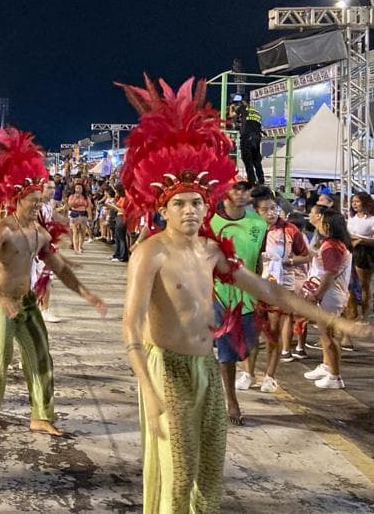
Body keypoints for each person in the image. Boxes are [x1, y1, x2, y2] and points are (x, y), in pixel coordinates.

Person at [118, 76, 371, 514]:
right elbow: (130, 325)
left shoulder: (212, 251)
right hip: (168, 368)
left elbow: (268, 288)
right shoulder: (149, 254)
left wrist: (337, 321)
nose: (191, 210)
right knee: (179, 471)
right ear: (163, 208)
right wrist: (149, 388)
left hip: (205, 364)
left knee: (212, 466)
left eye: (197, 202)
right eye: (180, 203)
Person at [0, 126, 107, 434]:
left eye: (40, 200)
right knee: (2, 356)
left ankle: (41, 416)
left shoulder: (40, 233)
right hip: (3, 300)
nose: (37, 205)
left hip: (27, 302)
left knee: (41, 355)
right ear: (18, 200)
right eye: (32, 200)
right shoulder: (4, 230)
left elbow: (60, 268)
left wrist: (86, 293)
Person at [210, 179, 266, 423]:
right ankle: (231, 401)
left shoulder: (258, 223)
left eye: (245, 189)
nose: (242, 193)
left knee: (248, 348)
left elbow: (258, 260)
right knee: (227, 353)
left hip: (249, 297)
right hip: (216, 296)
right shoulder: (209, 222)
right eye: (236, 188)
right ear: (224, 192)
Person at [253, 188, 309, 379]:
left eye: (274, 208)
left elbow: (306, 255)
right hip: (254, 285)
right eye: (265, 209)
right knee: (252, 332)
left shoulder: (290, 230)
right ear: (256, 211)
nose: (271, 212)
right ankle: (248, 373)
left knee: (274, 331)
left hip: (281, 285)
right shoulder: (253, 229)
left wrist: (289, 262)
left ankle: (270, 375)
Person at [302, 206, 354, 388]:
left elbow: (329, 275)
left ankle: (335, 376)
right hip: (332, 294)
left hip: (329, 295)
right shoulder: (337, 244)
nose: (319, 225)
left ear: (329, 226)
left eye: (323, 222)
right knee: (326, 334)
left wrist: (317, 295)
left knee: (327, 336)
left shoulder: (332, 246)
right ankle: (327, 366)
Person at [347, 191, 374, 320]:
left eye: (357, 202)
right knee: (349, 283)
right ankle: (352, 313)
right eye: (353, 202)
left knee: (364, 285)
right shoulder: (351, 217)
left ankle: (365, 315)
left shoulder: (371, 219)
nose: (354, 204)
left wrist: (361, 240)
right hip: (349, 250)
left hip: (365, 253)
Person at [66, 180, 92, 254]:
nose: (78, 189)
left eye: (80, 188)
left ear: (82, 189)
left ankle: (80, 247)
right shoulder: (72, 196)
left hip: (83, 214)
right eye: (76, 188)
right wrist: (75, 198)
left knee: (82, 232)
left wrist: (90, 216)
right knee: (75, 231)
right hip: (74, 214)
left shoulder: (86, 197)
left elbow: (88, 207)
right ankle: (76, 248)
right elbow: (70, 205)